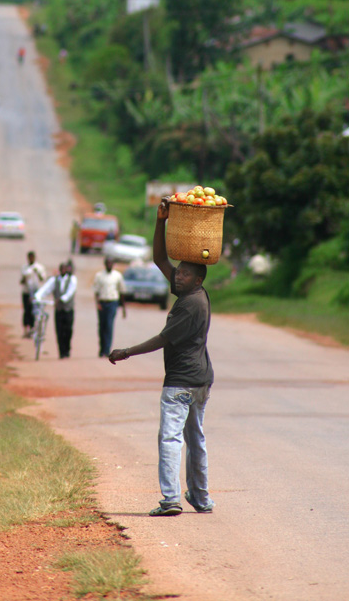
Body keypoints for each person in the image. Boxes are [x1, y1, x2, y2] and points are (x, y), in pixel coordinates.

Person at [109, 199, 214, 517]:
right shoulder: (194, 294)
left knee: (170, 437)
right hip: (201, 380)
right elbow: (158, 258)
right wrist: (160, 221)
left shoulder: (188, 305)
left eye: (184, 273)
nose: (178, 276)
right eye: (178, 272)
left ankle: (171, 499)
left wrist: (126, 352)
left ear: (197, 279)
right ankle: (200, 496)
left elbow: (162, 340)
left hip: (181, 382)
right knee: (195, 438)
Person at [33, 260, 77, 359]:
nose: (63, 270)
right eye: (61, 269)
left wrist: (61, 299)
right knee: (59, 331)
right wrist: (37, 296)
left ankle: (67, 349)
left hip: (68, 309)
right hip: (59, 310)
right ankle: (61, 352)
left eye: (64, 268)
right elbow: (46, 289)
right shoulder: (55, 280)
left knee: (68, 330)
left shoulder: (72, 279)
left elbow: (70, 292)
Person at [93, 257, 126, 358]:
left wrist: (123, 308)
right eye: (107, 263)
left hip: (112, 303)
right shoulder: (99, 275)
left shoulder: (117, 276)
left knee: (109, 325)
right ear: (105, 264)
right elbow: (96, 291)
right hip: (102, 302)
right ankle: (102, 349)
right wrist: (98, 303)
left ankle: (107, 350)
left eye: (111, 263)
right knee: (101, 326)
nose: (109, 265)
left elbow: (122, 292)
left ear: (113, 264)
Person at [20, 251, 46, 338]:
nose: (31, 259)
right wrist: (25, 276)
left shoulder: (39, 267)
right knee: (26, 310)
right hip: (26, 292)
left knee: (34, 311)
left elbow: (42, 279)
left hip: (36, 293)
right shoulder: (24, 267)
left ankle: (33, 329)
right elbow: (21, 281)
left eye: (32, 257)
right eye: (29, 257)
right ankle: (26, 330)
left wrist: (37, 272)